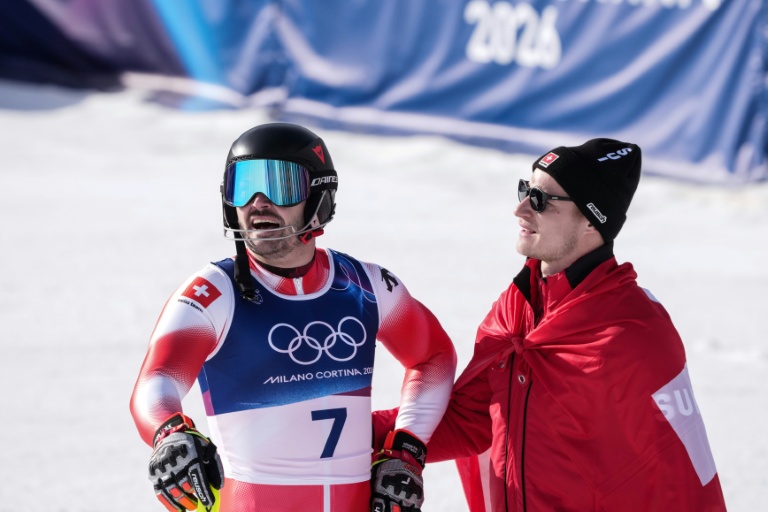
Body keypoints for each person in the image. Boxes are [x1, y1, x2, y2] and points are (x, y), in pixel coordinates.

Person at [373, 138, 727, 511]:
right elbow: (471, 419)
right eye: (525, 190)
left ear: (592, 219)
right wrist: (350, 435)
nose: (520, 209)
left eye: (541, 200)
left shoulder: (630, 335)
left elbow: (673, 477)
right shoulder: (518, 307)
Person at [130, 123, 457, 512]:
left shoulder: (367, 286)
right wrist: (168, 433)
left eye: (279, 185)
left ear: (318, 198)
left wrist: (407, 449)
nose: (257, 202)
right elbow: (157, 380)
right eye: (242, 185)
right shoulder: (214, 292)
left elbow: (433, 357)